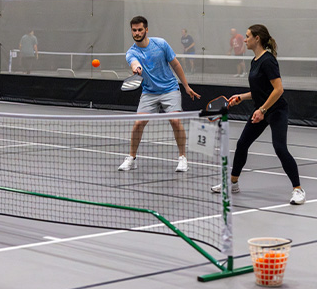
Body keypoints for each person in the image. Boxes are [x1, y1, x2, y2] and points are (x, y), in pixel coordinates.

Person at [212, 24, 306, 205]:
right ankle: (232, 183)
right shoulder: (255, 61)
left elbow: (278, 90)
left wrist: (262, 110)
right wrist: (242, 97)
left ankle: (298, 189)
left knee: (280, 148)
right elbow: (260, 90)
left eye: (247, 36)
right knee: (242, 144)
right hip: (261, 110)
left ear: (257, 39)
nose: (244, 39)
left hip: (276, 110)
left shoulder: (268, 60)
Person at [118, 16, 201, 173]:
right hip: (149, 92)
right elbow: (134, 63)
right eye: (134, 30)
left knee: (175, 121)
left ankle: (182, 158)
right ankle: (132, 158)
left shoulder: (161, 44)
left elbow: (175, 64)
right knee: (138, 124)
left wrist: (186, 86)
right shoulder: (131, 52)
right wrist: (136, 69)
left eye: (140, 30)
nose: (137, 33)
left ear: (146, 30)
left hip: (170, 89)